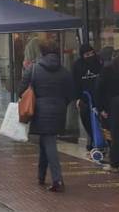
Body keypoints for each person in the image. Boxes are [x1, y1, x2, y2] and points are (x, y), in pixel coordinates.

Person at [18, 41, 74, 192]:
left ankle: (57, 180)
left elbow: (21, 90)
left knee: (49, 143)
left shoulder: (33, 69)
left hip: (40, 110)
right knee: (46, 141)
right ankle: (41, 175)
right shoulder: (64, 71)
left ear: (42, 54)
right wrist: (60, 103)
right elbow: (71, 93)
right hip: (59, 110)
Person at [72, 44, 102, 155]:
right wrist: (77, 98)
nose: (90, 56)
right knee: (87, 121)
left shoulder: (99, 62)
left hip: (100, 98)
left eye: (91, 53)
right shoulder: (77, 65)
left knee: (101, 122)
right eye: (86, 54)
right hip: (85, 99)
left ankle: (100, 142)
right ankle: (93, 140)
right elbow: (74, 83)